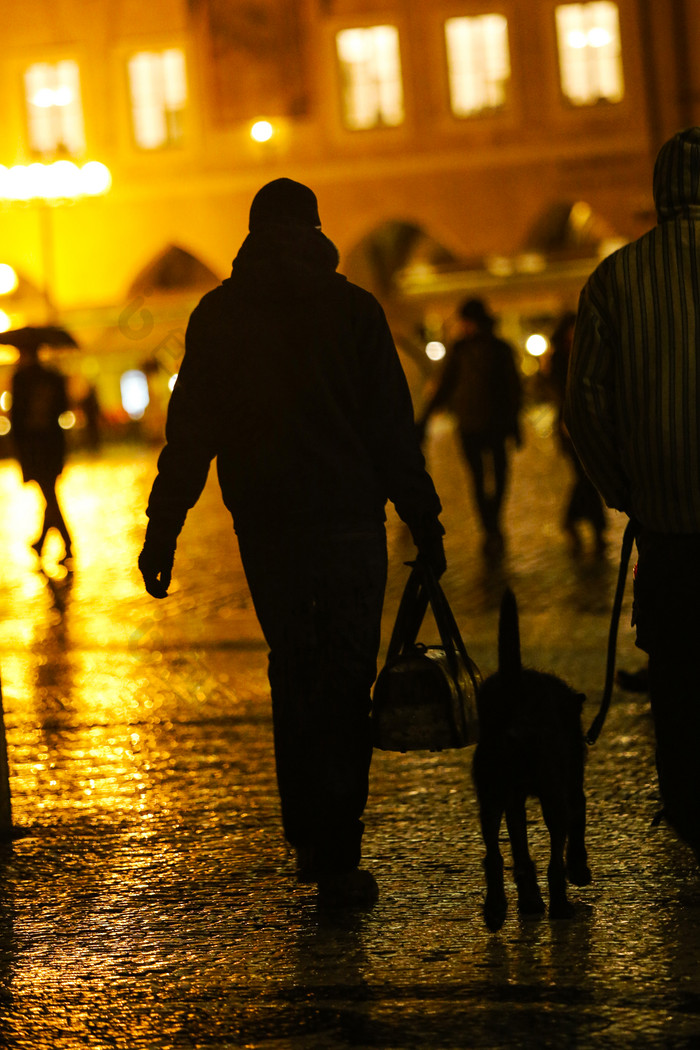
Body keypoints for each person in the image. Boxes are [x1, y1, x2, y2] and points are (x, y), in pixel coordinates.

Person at [138, 178, 446, 907]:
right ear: (313, 229)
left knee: (294, 669)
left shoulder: (219, 316)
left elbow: (191, 434)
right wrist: (424, 522)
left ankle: (308, 833)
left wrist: (163, 527)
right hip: (347, 524)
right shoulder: (353, 311)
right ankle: (338, 849)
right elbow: (390, 431)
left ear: (252, 232)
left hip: (268, 529)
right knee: (344, 675)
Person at [564, 127, 700, 865]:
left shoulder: (616, 279)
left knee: (678, 674)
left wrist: (626, 490)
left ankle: (689, 808)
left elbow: (582, 407)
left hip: (669, 526)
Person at [417, 297, 522, 557]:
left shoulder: (495, 349)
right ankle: (490, 524)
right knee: (482, 477)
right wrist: (427, 415)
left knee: (494, 476)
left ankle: (492, 521)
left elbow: (511, 389)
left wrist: (514, 422)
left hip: (489, 424)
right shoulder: (465, 349)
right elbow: (447, 384)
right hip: (475, 425)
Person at [548, 310, 607, 554]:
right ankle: (597, 529)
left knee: (589, 476)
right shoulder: (558, 359)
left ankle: (573, 521)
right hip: (569, 424)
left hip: (594, 423)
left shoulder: (591, 353)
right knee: (586, 476)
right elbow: (558, 392)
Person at [11, 342, 73, 564]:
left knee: (49, 495)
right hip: (53, 444)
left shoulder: (20, 379)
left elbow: (15, 416)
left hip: (34, 446)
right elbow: (65, 407)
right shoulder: (53, 377)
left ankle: (66, 544)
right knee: (49, 493)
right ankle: (43, 542)